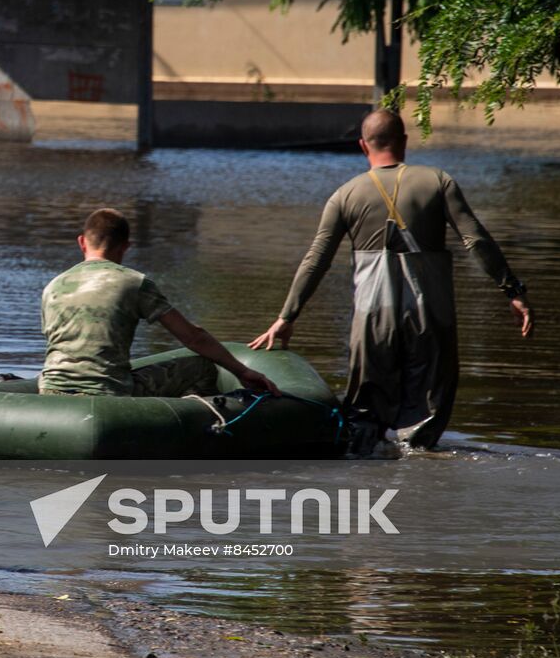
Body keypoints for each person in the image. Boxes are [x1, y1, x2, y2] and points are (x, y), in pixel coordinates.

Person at [250, 109, 533, 451]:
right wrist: (512, 291)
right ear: (405, 141)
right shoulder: (438, 182)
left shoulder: (345, 195)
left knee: (363, 418)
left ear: (362, 145)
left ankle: (366, 472)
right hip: (430, 316)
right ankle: (417, 474)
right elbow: (476, 240)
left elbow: (317, 259)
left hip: (372, 318)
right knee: (425, 416)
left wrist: (286, 317)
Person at [41, 208, 280, 397]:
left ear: (82, 242)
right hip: (110, 392)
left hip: (49, 389)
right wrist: (243, 371)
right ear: (126, 246)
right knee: (203, 367)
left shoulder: (53, 286)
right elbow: (193, 337)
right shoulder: (134, 282)